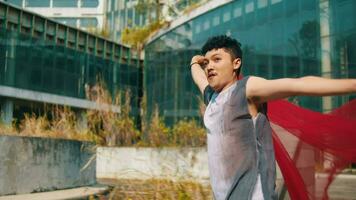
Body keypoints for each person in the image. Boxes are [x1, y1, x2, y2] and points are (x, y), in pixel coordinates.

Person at [190, 35, 356, 200]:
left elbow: (298, 85)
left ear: (236, 63)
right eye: (207, 63)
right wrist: (195, 61)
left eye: (217, 59)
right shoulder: (212, 98)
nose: (210, 66)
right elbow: (197, 75)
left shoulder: (247, 89)